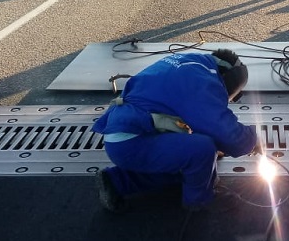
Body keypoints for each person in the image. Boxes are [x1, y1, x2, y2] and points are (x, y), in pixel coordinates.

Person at [92, 49, 261, 212]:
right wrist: (252, 139)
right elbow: (222, 128)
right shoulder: (204, 81)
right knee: (202, 149)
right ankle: (200, 201)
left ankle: (116, 181)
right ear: (228, 79)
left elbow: (195, 118)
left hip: (123, 134)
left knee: (194, 171)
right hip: (133, 141)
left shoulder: (188, 63)